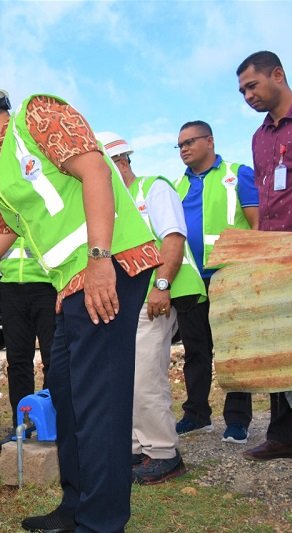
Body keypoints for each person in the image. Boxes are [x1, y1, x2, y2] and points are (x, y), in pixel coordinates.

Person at [0, 77, 159, 532]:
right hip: (73, 288)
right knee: (66, 394)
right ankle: (75, 506)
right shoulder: (6, 187)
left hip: (111, 267)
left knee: (99, 403)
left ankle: (102, 522)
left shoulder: (36, 114)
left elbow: (95, 172)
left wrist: (101, 257)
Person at [98, 132, 206, 484]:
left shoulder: (152, 189)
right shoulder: (108, 205)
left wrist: (162, 286)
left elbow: (174, 237)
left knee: (146, 377)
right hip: (127, 303)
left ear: (122, 162)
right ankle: (136, 447)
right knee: (127, 376)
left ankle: (163, 453)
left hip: (153, 299)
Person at [236, 50, 292, 468]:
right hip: (274, 256)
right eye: (242, 91)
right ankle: (284, 436)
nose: (247, 95)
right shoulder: (259, 137)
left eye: (252, 85)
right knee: (280, 345)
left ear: (279, 75)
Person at [172, 120, 257, 444]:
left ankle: (237, 420)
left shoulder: (237, 175)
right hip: (191, 282)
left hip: (230, 277)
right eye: (179, 145)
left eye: (190, 142)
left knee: (234, 350)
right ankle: (196, 415)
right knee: (195, 350)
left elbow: (257, 224)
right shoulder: (176, 187)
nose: (184, 149)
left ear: (209, 141)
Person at [0, 237, 57, 450]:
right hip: (11, 289)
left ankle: (52, 422)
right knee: (17, 361)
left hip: (48, 287)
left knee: (54, 358)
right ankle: (21, 424)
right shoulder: (6, 210)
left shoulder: (45, 206)